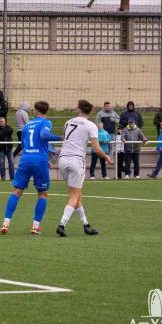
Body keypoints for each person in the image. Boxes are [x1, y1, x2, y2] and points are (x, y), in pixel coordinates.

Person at [0, 101, 62, 235]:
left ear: (35, 111)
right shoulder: (46, 123)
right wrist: (61, 137)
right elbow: (44, 136)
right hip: (39, 161)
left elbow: (23, 144)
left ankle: (5, 223)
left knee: (16, 191)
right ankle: (35, 227)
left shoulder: (27, 125)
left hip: (26, 159)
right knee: (43, 193)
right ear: (46, 111)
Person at [57, 100, 112, 237]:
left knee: (76, 194)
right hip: (76, 160)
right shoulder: (91, 125)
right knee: (74, 195)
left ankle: (86, 225)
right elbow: (97, 148)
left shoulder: (68, 122)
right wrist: (107, 157)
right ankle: (62, 224)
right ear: (90, 112)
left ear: (77, 110)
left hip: (62, 159)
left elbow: (65, 138)